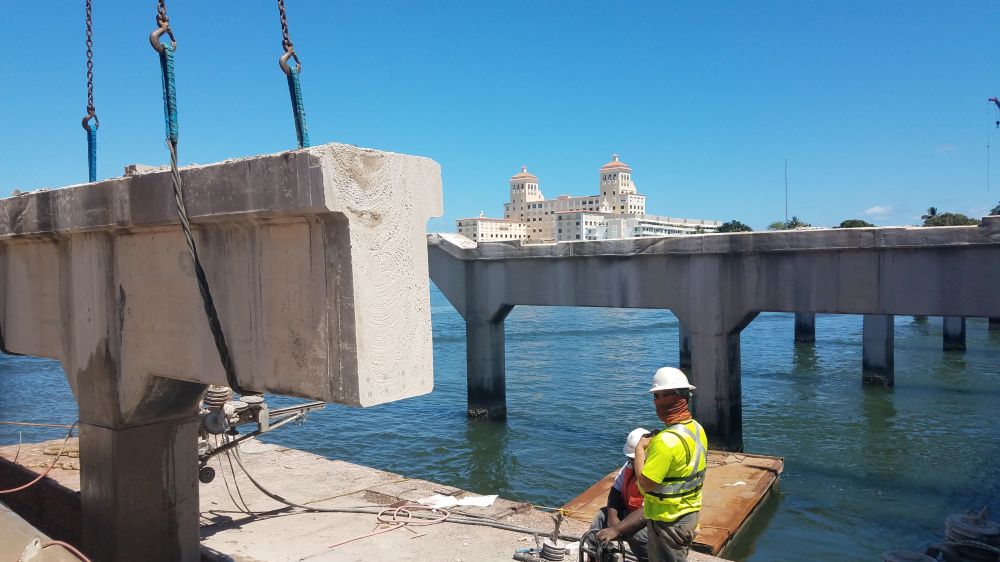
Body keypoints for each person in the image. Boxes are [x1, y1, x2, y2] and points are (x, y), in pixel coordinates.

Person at [633, 367, 707, 562]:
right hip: (689, 516)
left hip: (668, 521)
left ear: (666, 399)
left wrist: (640, 449)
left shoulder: (665, 441)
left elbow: (645, 485)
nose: (654, 402)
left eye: (656, 396)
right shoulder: (697, 429)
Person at [585, 427, 650, 561]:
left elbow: (647, 510)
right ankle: (596, 556)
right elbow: (615, 493)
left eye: (634, 459)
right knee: (601, 517)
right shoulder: (628, 467)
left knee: (636, 535)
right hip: (628, 514)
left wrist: (617, 529)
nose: (631, 461)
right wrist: (612, 518)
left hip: (647, 521)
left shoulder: (653, 472)